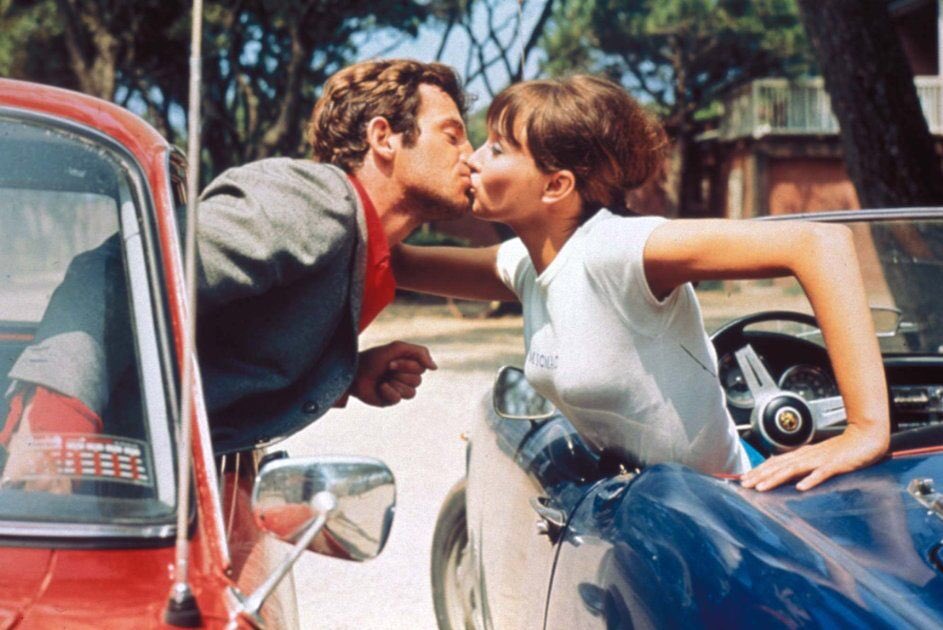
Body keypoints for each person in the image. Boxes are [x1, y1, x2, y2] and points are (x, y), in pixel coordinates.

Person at [392, 75, 890, 491]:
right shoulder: (526, 262)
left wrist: (865, 430)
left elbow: (819, 244)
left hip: (731, 510)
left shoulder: (617, 248)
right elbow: (396, 264)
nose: (472, 159)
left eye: (497, 149)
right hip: (646, 515)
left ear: (556, 185)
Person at [1, 59, 475, 470]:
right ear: (383, 138)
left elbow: (226, 346)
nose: (470, 157)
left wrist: (345, 374)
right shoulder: (316, 205)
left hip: (153, 471)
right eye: (453, 136)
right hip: (83, 462)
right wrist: (54, 430)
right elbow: (116, 272)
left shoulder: (366, 246)